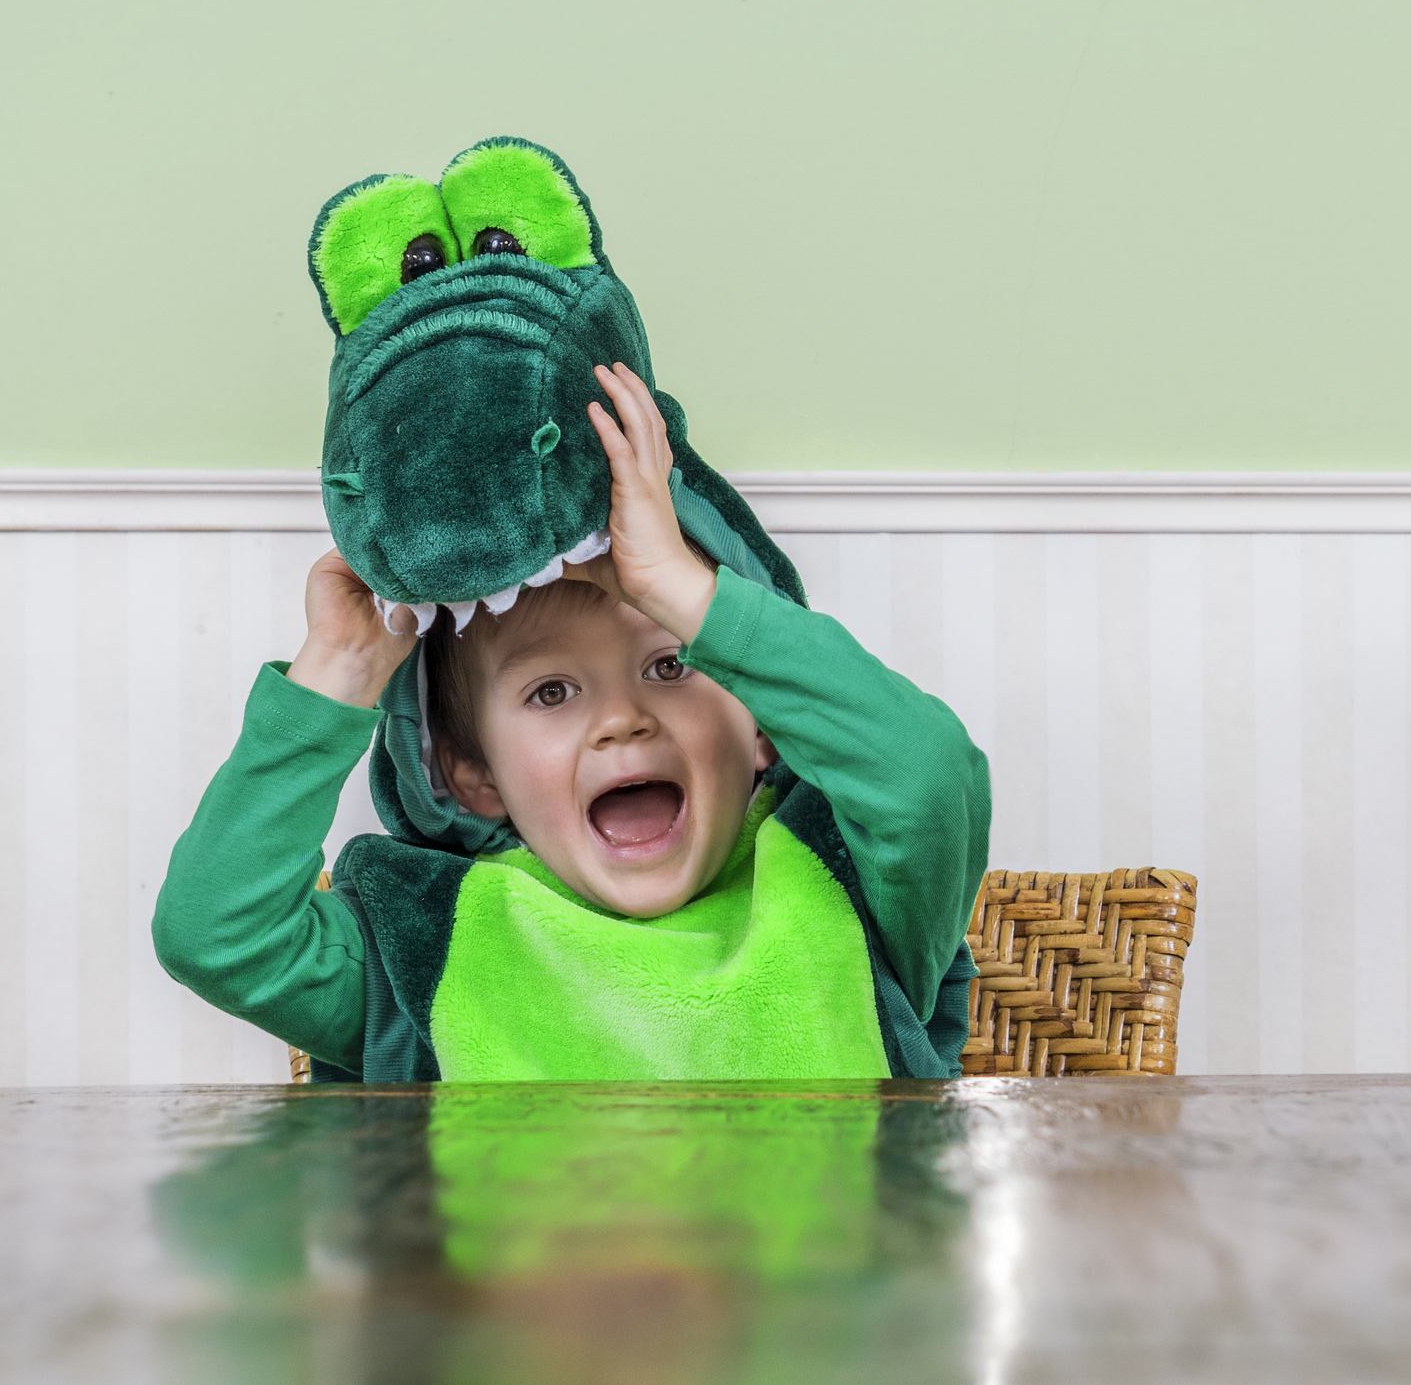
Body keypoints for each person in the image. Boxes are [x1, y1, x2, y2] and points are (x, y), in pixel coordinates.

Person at [152, 364, 989, 1081]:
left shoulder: (856, 887)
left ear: (763, 721)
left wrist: (676, 587)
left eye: (671, 665)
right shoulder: (424, 947)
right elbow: (216, 937)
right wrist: (337, 670)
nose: (622, 721)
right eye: (551, 693)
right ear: (468, 772)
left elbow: (925, 781)